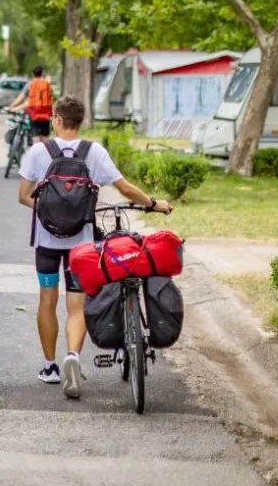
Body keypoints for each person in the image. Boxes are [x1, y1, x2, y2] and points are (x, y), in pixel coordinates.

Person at [17, 95, 172, 399]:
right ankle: (72, 356)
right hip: (83, 247)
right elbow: (125, 188)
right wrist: (154, 204)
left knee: (47, 299)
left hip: (46, 244)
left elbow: (24, 196)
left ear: (57, 119)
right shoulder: (95, 152)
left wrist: (52, 210)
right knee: (77, 305)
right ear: (81, 121)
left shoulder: (38, 151)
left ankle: (49, 367)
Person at [9, 65, 54, 144]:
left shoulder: (30, 84)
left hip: (34, 115)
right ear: (42, 73)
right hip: (46, 115)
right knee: (46, 142)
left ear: (33, 74)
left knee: (35, 141)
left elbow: (21, 98)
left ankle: (36, 152)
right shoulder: (47, 85)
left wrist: (12, 106)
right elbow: (50, 99)